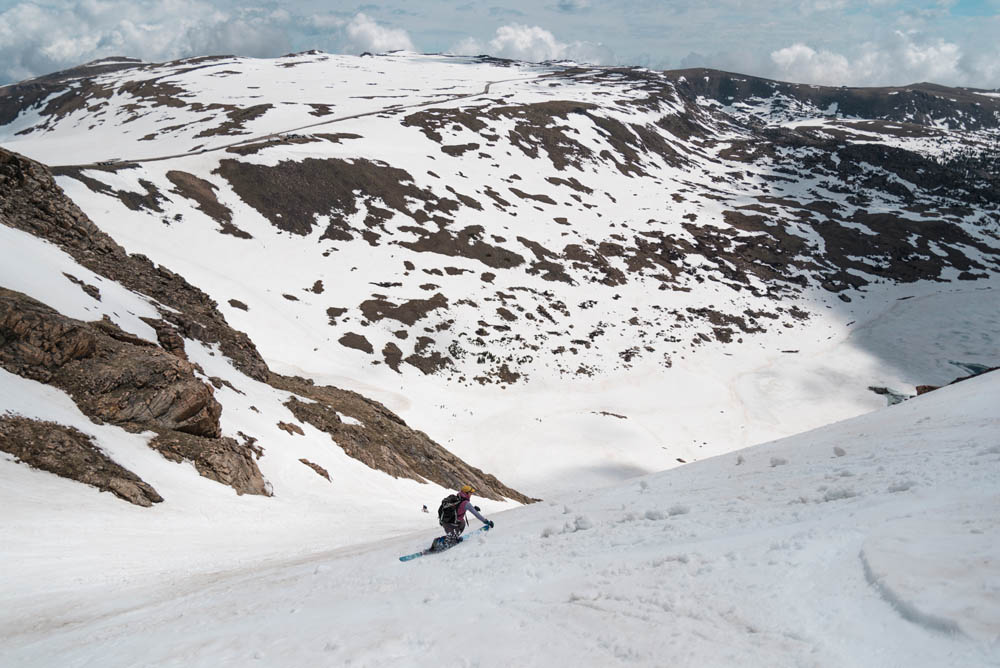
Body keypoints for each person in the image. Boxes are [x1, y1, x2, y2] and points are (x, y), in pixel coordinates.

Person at [432, 484, 494, 551]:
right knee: (449, 544)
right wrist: (486, 521)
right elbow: (476, 514)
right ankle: (438, 543)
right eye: (470, 493)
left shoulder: (459, 497)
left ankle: (453, 537)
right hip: (449, 523)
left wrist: (473, 508)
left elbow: (460, 508)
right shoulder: (466, 503)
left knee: (462, 523)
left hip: (450, 521)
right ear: (466, 493)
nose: (471, 494)